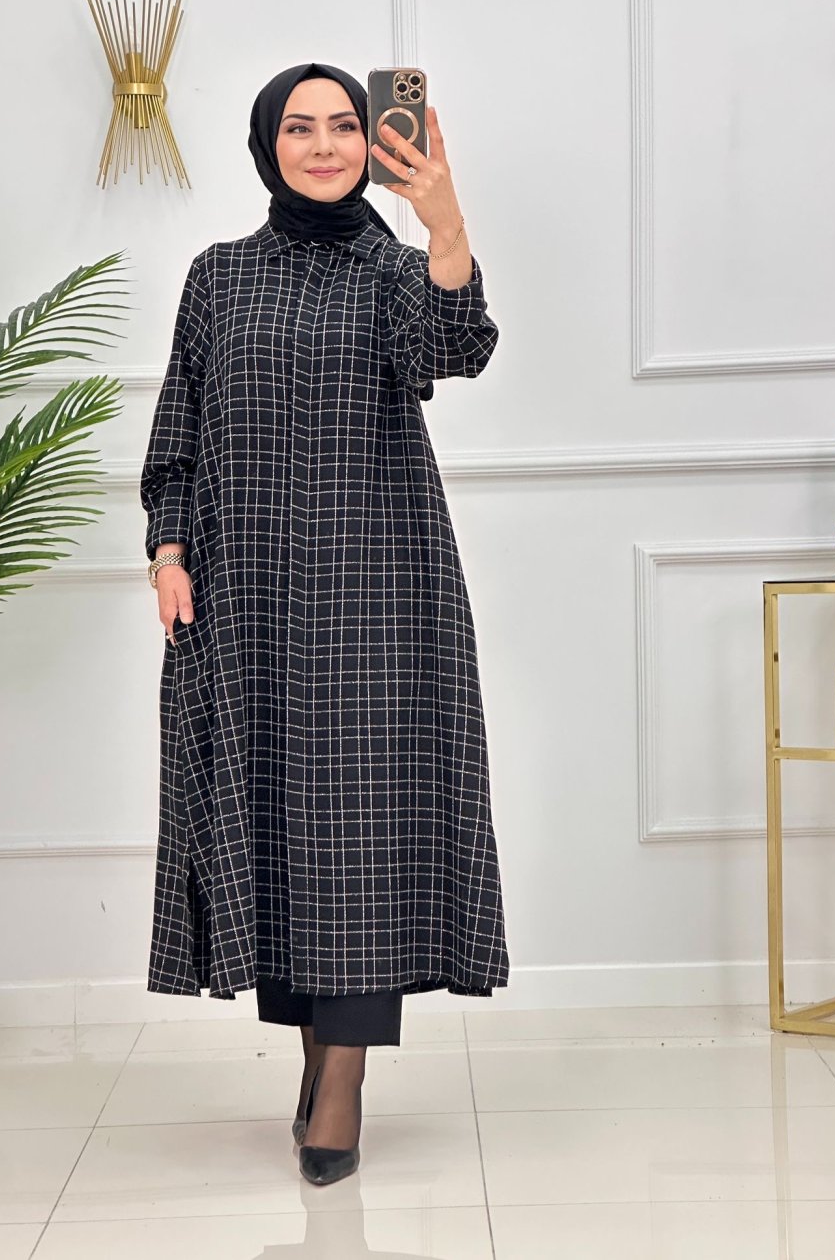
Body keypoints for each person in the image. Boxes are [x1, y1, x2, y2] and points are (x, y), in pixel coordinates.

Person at [139, 63, 510, 1187]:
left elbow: (451, 346)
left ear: (370, 142)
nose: (325, 144)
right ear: (268, 145)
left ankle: (339, 1083)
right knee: (277, 822)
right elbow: (178, 431)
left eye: (345, 125)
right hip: (244, 592)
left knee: (362, 830)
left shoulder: (393, 268)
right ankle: (312, 1050)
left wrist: (444, 222)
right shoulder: (219, 276)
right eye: (299, 127)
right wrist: (168, 551)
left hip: (376, 592)